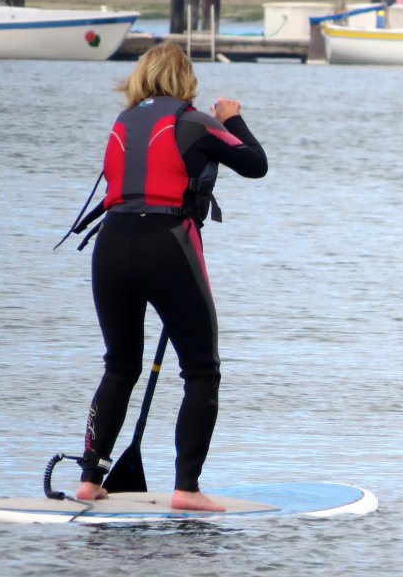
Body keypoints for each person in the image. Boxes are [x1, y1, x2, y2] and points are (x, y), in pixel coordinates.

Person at [73, 42, 267, 511]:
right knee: (202, 370)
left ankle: (89, 478)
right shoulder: (197, 122)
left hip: (112, 244)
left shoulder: (123, 122)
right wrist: (232, 119)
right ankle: (186, 489)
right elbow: (255, 165)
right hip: (167, 244)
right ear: (186, 81)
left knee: (120, 365)